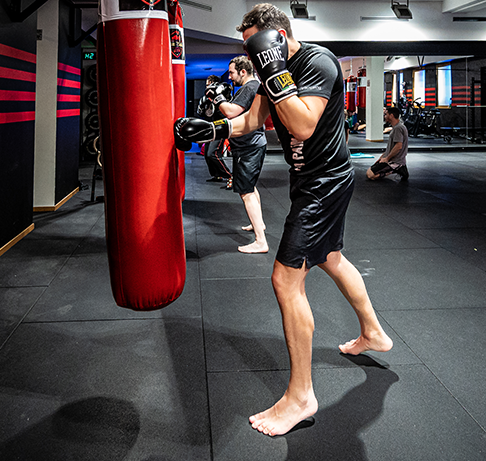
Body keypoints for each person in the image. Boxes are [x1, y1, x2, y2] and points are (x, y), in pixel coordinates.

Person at [174, 3, 393, 436]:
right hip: (308, 181)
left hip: (324, 184)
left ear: (274, 37)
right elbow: (254, 120)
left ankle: (300, 396)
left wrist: (276, 71)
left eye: (254, 46)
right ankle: (373, 333)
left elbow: (303, 125)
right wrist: (212, 128)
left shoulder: (317, 62)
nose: (250, 56)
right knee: (330, 257)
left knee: (285, 279)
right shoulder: (269, 71)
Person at [206, 55, 268, 253]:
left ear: (243, 71)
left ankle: (260, 241)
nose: (230, 77)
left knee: (246, 192)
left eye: (232, 72)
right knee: (251, 187)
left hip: (248, 146)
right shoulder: (253, 86)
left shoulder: (248, 88)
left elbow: (231, 112)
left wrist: (218, 98)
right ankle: (258, 223)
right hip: (253, 144)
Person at [197, 75, 233, 187]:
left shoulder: (223, 96)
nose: (206, 87)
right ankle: (217, 175)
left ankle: (230, 176)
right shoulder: (207, 98)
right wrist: (203, 106)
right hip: (210, 127)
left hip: (221, 128)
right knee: (206, 154)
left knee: (213, 153)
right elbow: (204, 114)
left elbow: (226, 113)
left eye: (208, 84)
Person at [367, 107, 409, 181]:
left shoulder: (398, 128)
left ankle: (395, 169)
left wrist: (386, 158)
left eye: (386, 114)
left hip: (394, 161)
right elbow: (391, 147)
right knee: (369, 171)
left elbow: (398, 146)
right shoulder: (396, 127)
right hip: (390, 159)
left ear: (391, 115)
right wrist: (382, 156)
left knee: (371, 175)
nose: (384, 116)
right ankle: (399, 168)